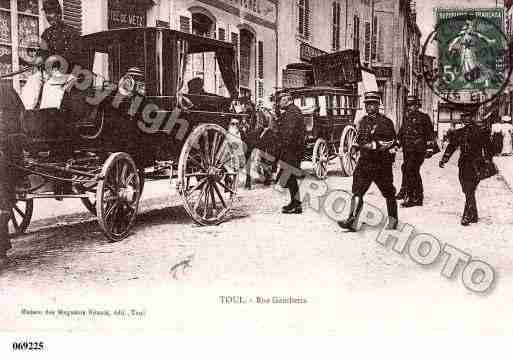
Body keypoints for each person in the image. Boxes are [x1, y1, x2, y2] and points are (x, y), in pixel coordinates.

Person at [337, 91, 398, 231]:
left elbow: (391, 142)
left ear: (378, 105)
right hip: (364, 163)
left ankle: (393, 221)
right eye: (367, 104)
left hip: (381, 164)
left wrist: (373, 145)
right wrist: (355, 147)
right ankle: (352, 221)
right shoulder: (362, 121)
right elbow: (359, 139)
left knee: (388, 193)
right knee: (357, 191)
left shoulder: (386, 122)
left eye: (372, 104)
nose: (369, 107)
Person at [20, 0, 81, 110]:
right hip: (49, 73)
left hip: (69, 73)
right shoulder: (46, 34)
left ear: (59, 14)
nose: (49, 16)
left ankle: (46, 116)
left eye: (51, 12)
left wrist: (53, 60)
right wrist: (38, 60)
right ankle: (25, 113)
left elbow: (73, 57)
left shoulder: (72, 33)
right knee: (33, 79)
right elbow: (42, 54)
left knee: (51, 84)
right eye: (47, 13)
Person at [439, 112, 493, 226]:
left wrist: (488, 160)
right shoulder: (460, 132)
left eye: (468, 118)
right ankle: (474, 214)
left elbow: (489, 147)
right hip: (463, 165)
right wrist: (444, 159)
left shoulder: (481, 131)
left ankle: (467, 215)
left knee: (469, 189)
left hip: (476, 165)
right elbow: (452, 146)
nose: (466, 120)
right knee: (467, 189)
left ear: (472, 118)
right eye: (464, 118)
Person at [0, 83, 26, 267]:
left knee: (3, 198)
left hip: (9, 146)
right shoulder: (7, 88)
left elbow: (16, 118)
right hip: (8, 142)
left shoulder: (5, 90)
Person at [396, 95, 435, 207]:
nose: (410, 107)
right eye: (408, 105)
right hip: (407, 149)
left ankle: (416, 197)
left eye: (412, 105)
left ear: (417, 105)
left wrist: (429, 148)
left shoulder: (424, 117)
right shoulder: (406, 117)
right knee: (406, 168)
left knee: (411, 170)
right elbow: (402, 130)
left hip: (418, 150)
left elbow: (430, 134)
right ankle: (406, 191)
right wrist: (397, 141)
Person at [276, 93, 305, 214]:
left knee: (289, 176)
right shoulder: (291, 111)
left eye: (281, 101)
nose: (279, 103)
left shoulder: (292, 112)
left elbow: (289, 132)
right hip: (291, 149)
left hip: (292, 149)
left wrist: (281, 144)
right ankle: (296, 203)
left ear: (287, 100)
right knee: (289, 176)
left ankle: (296, 204)